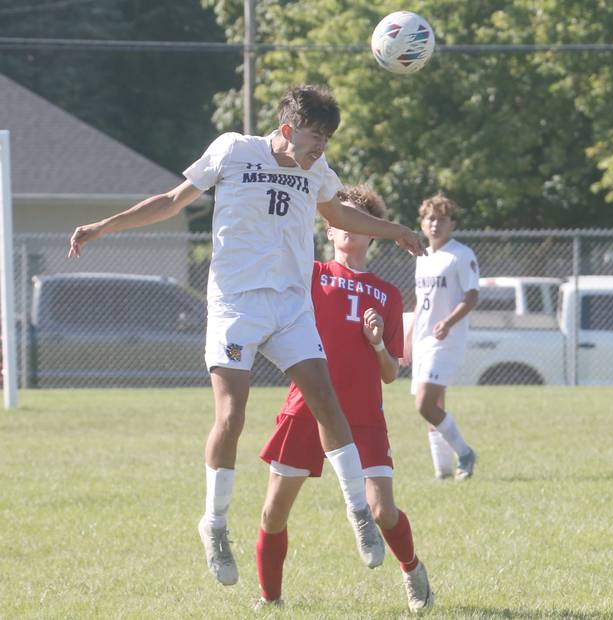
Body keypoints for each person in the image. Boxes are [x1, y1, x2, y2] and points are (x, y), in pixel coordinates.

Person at [67, 85, 426, 587]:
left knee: (326, 400)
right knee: (232, 414)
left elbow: (340, 214)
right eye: (314, 136)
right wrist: (104, 226)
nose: (320, 147)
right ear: (286, 129)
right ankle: (213, 524)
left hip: (289, 306)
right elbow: (173, 201)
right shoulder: (233, 150)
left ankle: (358, 513)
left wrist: (398, 231)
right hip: (236, 305)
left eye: (326, 138)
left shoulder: (318, 173)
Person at [255, 185, 433, 613]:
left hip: (362, 417)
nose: (345, 228)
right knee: (273, 515)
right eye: (339, 221)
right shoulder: (311, 274)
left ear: (371, 233)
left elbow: (391, 373)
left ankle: (412, 570)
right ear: (330, 231)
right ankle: (270, 599)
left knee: (381, 510)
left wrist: (376, 344)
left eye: (356, 222)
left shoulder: (386, 294)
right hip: (306, 408)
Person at [402, 194, 479, 481]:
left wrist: (448, 322)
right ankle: (443, 472)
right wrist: (408, 338)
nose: (435, 224)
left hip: (446, 340)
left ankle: (465, 452)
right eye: (430, 219)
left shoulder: (461, 255)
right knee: (435, 408)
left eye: (442, 219)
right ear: (422, 224)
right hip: (423, 340)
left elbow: (472, 296)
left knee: (424, 404)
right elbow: (421, 305)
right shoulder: (423, 258)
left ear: (452, 224)